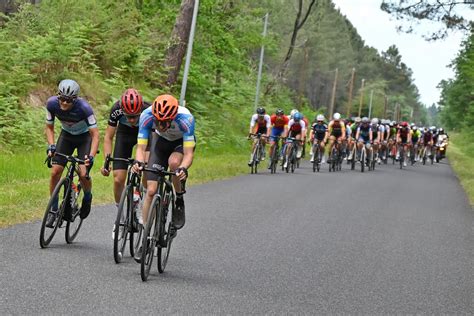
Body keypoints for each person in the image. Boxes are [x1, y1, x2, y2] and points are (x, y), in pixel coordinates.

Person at [132, 94, 195, 230]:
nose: (160, 125)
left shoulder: (186, 119)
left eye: (165, 122)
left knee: (174, 163)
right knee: (151, 190)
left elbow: (189, 154)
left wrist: (183, 168)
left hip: (180, 143)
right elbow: (141, 148)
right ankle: (145, 235)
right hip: (160, 142)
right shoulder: (146, 116)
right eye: (158, 121)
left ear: (173, 117)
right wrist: (139, 162)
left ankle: (178, 197)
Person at [45, 79, 99, 227]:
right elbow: (49, 127)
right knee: (55, 172)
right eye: (61, 99)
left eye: (68, 100)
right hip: (66, 136)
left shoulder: (84, 108)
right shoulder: (51, 104)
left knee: (82, 173)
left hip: (84, 138)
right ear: (58, 96)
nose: (64, 103)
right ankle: (54, 210)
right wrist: (51, 145)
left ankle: (87, 197)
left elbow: (95, 135)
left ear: (75, 99)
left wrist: (91, 156)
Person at [100, 89, 151, 235]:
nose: (132, 120)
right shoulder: (116, 109)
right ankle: (121, 217)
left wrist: (141, 161)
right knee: (118, 179)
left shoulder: (148, 110)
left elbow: (154, 138)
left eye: (135, 116)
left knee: (145, 167)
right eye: (128, 116)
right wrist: (107, 161)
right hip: (125, 135)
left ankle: (144, 203)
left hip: (145, 135)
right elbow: (108, 137)